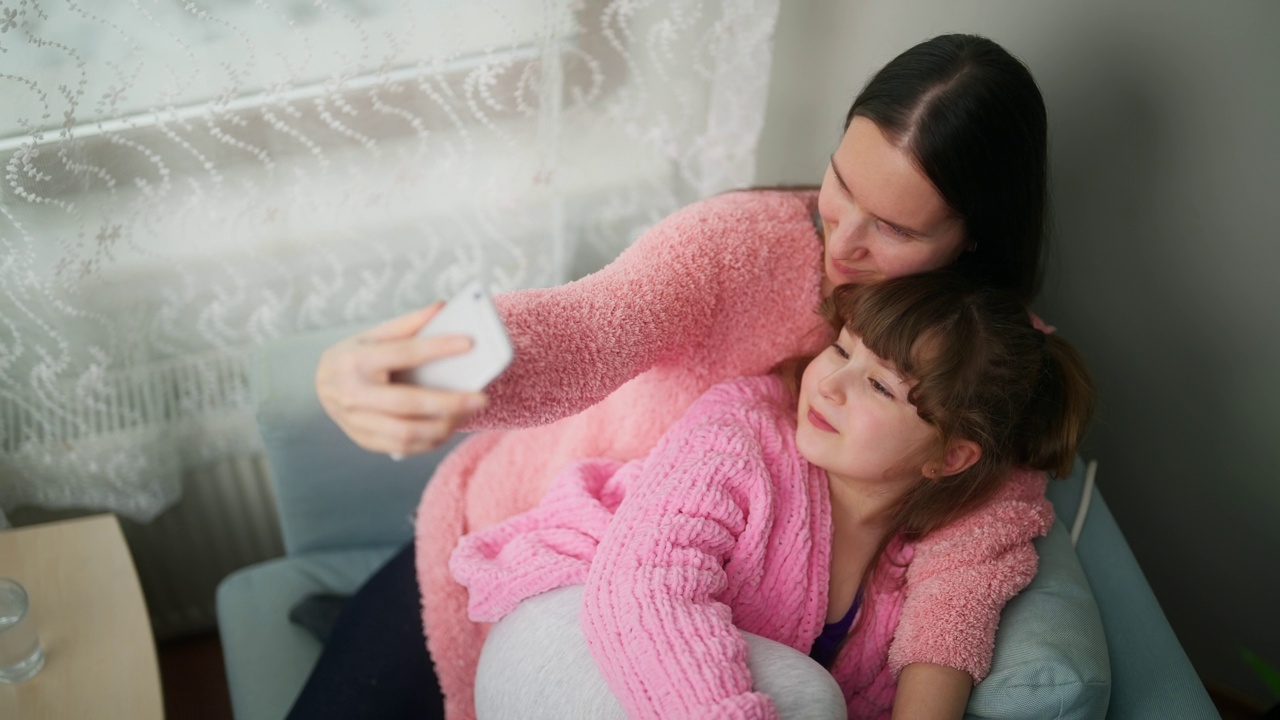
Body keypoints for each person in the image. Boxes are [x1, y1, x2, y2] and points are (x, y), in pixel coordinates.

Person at [298, 33, 1052, 720]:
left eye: (894, 227)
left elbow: (971, 553)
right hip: (542, 532)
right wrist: (413, 363)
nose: (843, 240)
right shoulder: (739, 247)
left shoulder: (991, 365)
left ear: (970, 240)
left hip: (686, 619)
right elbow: (590, 327)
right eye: (842, 184)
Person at [450, 271, 1095, 719]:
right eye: (841, 348)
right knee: (809, 699)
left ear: (951, 456)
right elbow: (644, 591)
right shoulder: (744, 433)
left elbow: (953, 624)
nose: (833, 384)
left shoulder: (946, 539)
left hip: (671, 680)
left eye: (879, 387)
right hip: (574, 621)